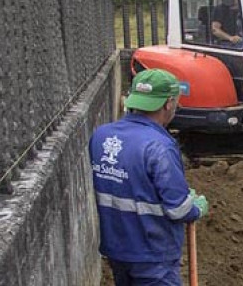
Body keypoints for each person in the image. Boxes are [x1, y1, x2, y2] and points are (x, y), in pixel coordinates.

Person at [90, 69, 209, 286]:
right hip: (153, 255)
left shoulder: (102, 135)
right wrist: (196, 208)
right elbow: (178, 209)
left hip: (117, 250)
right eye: (176, 102)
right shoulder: (159, 146)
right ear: (168, 103)